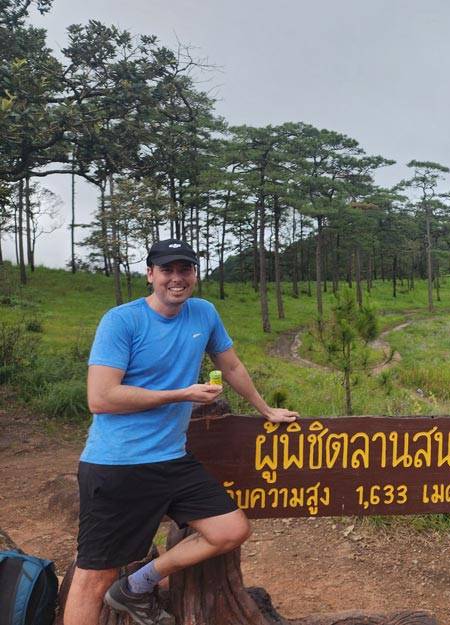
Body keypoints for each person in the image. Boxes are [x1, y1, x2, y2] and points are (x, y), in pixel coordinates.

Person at [64, 239, 298, 625]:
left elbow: (233, 366)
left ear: (194, 275)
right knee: (94, 574)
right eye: (167, 270)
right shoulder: (122, 320)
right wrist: (181, 394)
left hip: (172, 459)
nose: (177, 278)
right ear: (150, 275)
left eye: (185, 270)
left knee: (229, 529)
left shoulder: (203, 314)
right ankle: (117, 588)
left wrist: (266, 409)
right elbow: (101, 397)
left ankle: (136, 586)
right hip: (117, 463)